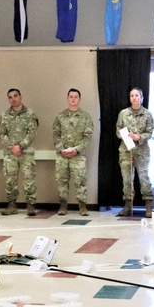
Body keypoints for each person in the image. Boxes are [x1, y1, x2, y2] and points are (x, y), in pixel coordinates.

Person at [53, 88, 94, 216]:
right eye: (71, 96)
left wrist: (76, 149)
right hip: (62, 155)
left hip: (78, 155)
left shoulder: (85, 117)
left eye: (76, 97)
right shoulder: (60, 116)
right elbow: (56, 135)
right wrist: (62, 149)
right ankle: (63, 206)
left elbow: (87, 137)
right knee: (62, 181)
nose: (73, 99)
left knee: (80, 181)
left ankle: (82, 206)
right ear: (67, 98)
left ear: (79, 99)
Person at [0, 88, 39, 215]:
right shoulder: (4, 116)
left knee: (29, 179)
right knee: (10, 180)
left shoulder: (30, 114)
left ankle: (30, 205)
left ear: (21, 97)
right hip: (10, 153)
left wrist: (20, 146)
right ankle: (11, 205)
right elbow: (2, 134)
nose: (13, 99)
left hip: (26, 152)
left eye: (15, 96)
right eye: (10, 97)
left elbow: (32, 133)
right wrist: (12, 147)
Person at [115, 87, 154, 216]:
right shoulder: (123, 113)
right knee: (127, 179)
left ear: (142, 98)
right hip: (126, 149)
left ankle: (148, 206)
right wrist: (126, 136)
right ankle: (127, 205)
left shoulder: (147, 114)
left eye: (137, 95)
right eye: (132, 95)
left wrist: (139, 137)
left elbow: (149, 132)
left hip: (142, 151)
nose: (134, 98)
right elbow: (118, 129)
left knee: (144, 178)